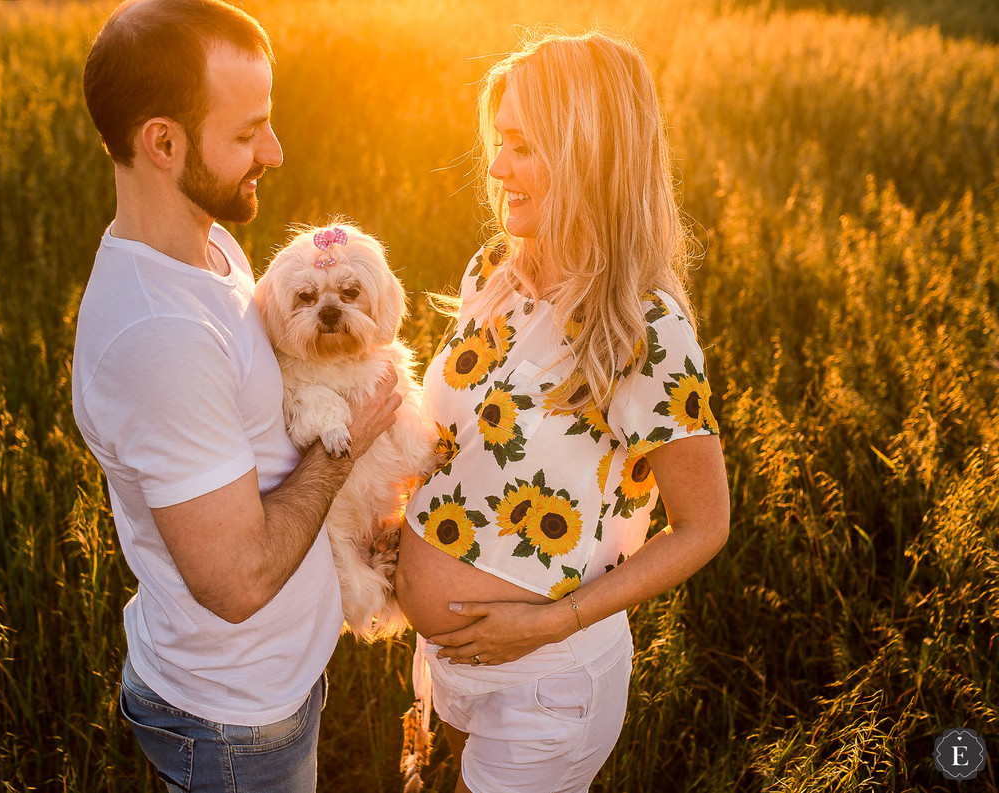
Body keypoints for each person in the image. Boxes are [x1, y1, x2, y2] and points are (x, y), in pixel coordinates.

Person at [71, 1, 400, 791]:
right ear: (163, 143)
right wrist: (347, 442)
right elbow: (238, 580)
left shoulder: (209, 246)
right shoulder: (159, 338)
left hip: (272, 685)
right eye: (249, 132)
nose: (275, 152)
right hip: (234, 722)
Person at [395, 29, 731, 793]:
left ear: (589, 154)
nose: (496, 168)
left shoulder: (645, 329)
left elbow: (704, 525)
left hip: (547, 679)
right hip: (449, 664)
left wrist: (549, 622)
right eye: (500, 141)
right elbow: (454, 443)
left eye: (523, 146)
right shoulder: (494, 272)